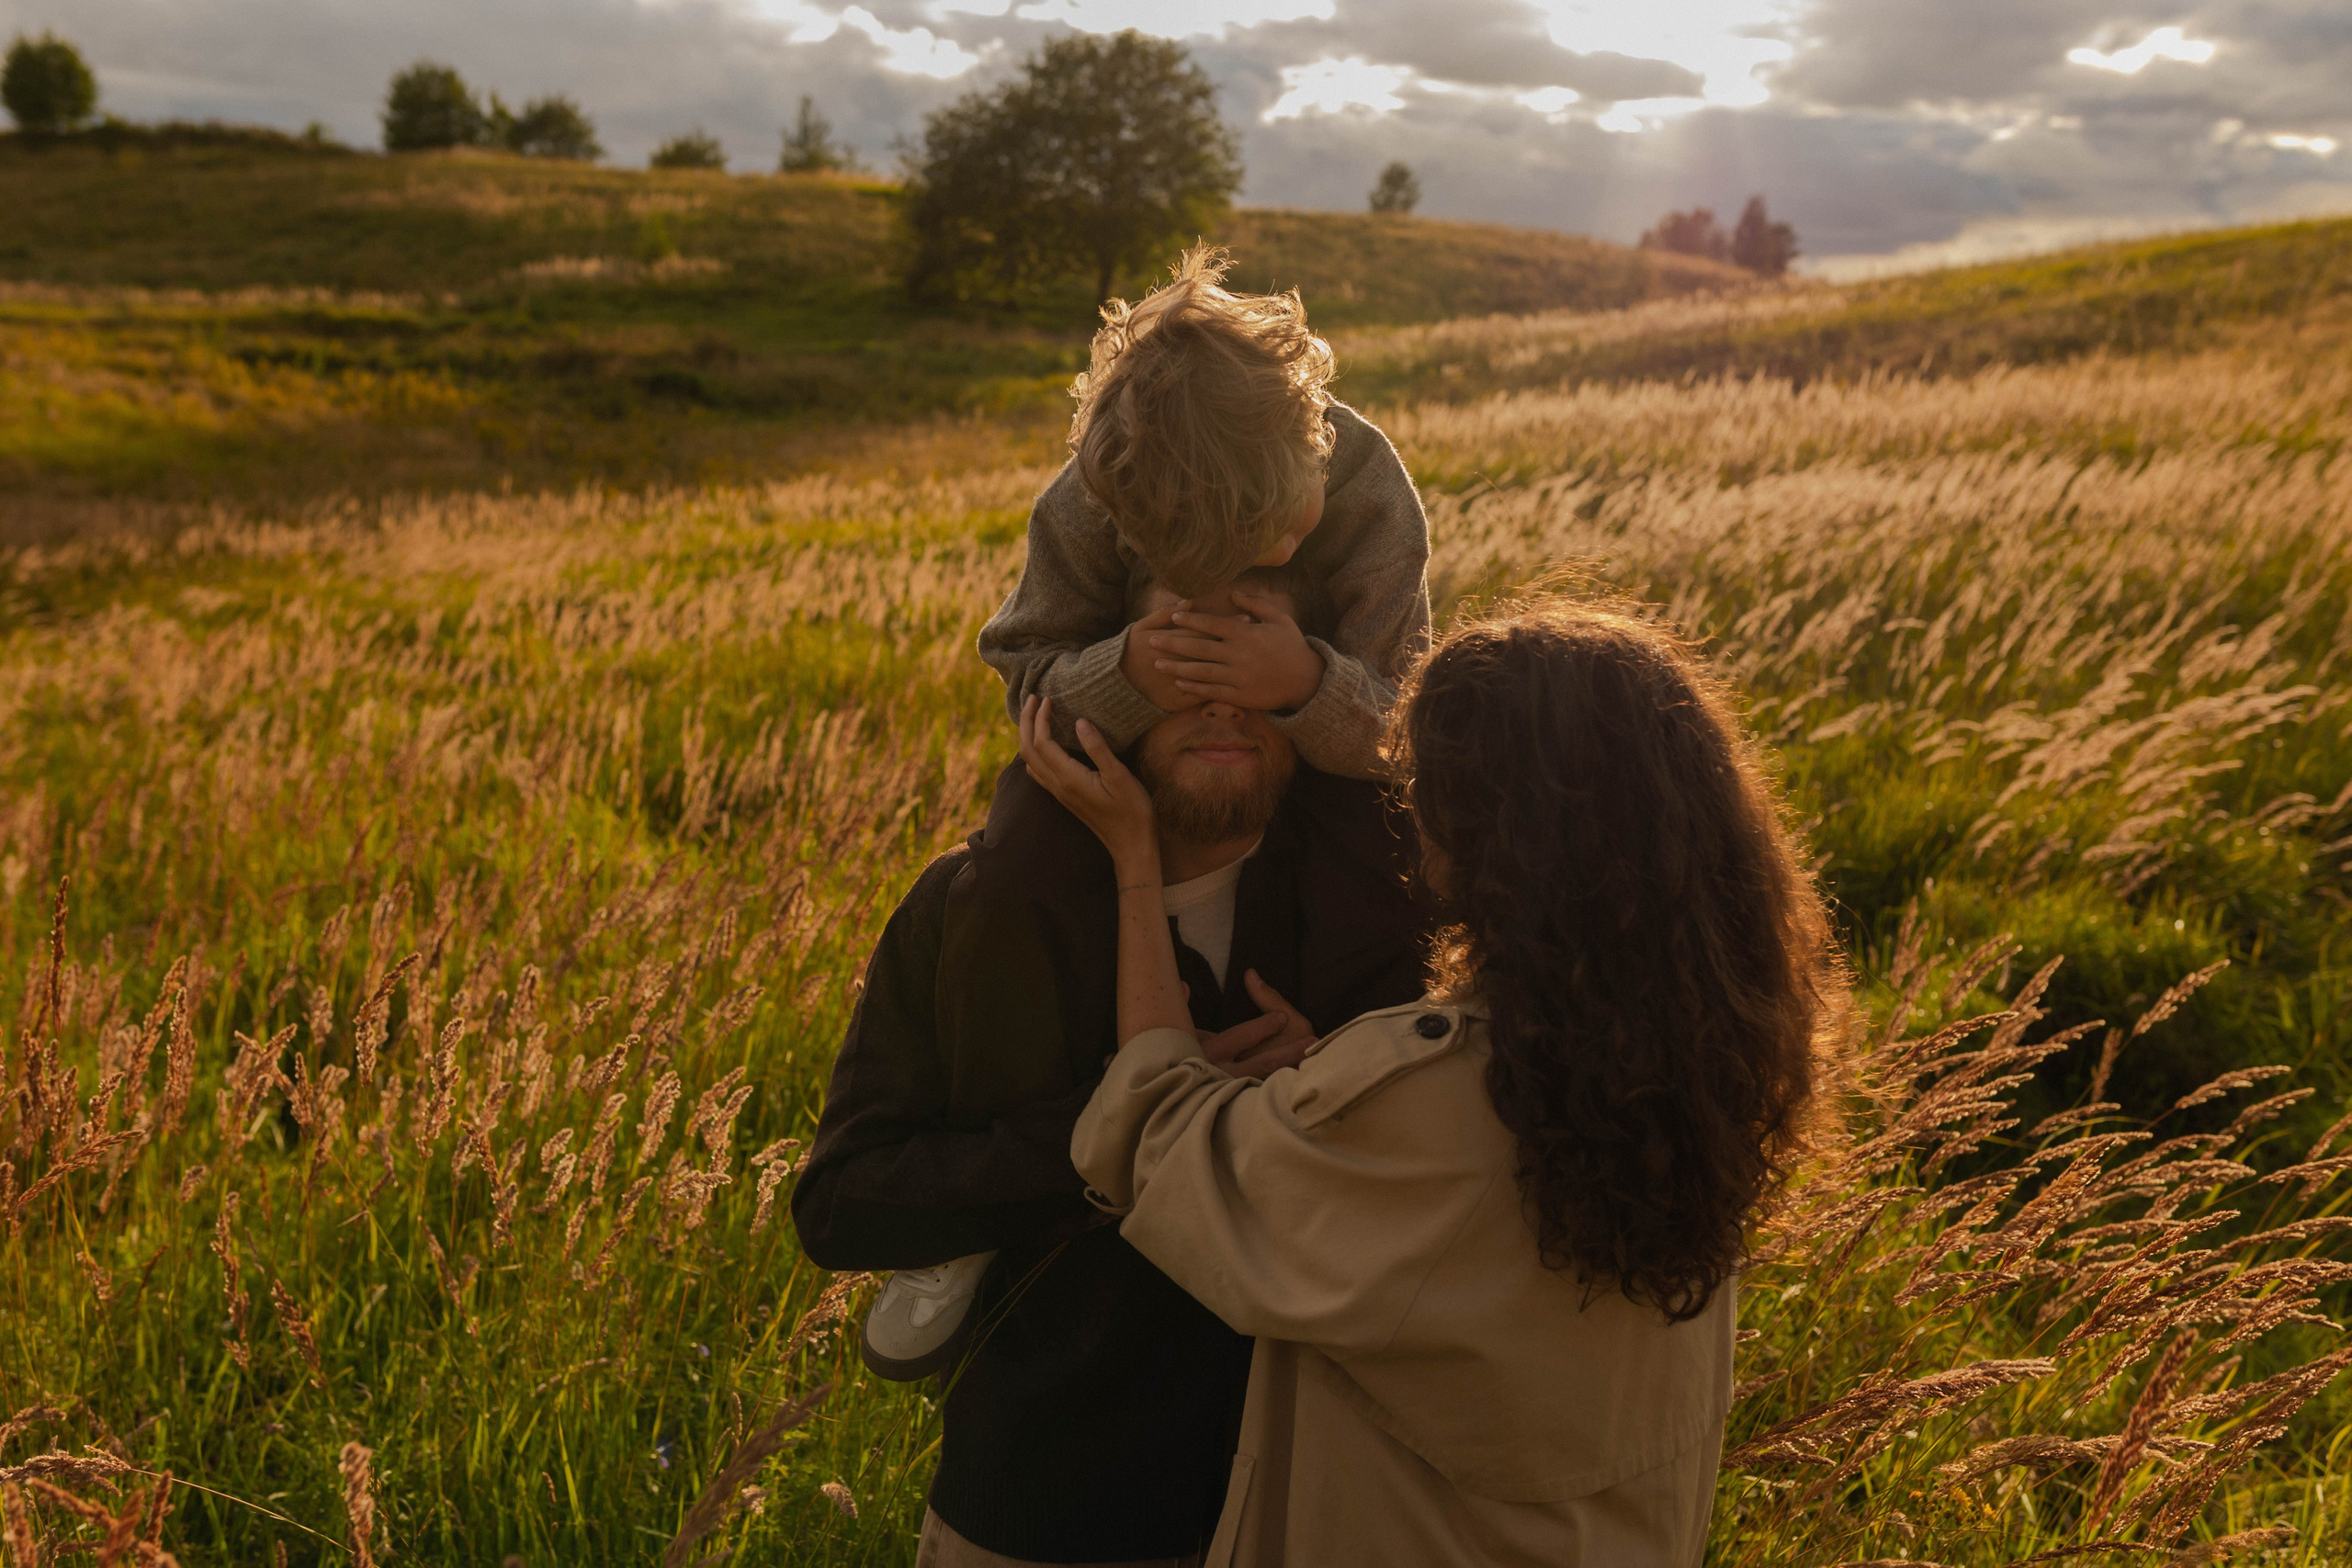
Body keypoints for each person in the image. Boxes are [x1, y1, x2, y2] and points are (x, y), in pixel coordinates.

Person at [1024, 601, 1845, 1568]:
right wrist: (1335, 1089)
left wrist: (1134, 859)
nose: (1412, 811)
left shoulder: (1440, 1096)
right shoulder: (1698, 1061)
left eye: (1425, 784)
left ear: (1486, 827)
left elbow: (1155, 1139)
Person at [858, 243, 1433, 1385]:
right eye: (1190, 563)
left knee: (1391, 870)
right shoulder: (1090, 492)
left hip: (1308, 739)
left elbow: (1405, 719)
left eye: (1266, 547)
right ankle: (989, 1199)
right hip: (1127, 732)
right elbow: (1026, 667)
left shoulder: (1369, 490)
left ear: (1307, 473)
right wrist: (1131, 668)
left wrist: (1300, 684)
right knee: (1013, 857)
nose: (1240, 567)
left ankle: (1337, 1138)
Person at [790, 605, 1431, 1566]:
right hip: (1043, 1504)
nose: (1223, 705)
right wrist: (1113, 1138)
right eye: (1183, 673)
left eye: (1251, 674)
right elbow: (845, 1206)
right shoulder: (976, 904)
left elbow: (1441, 1197)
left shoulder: (1373, 914)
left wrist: (1325, 1089)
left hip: (1304, 1501)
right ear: (1108, 703)